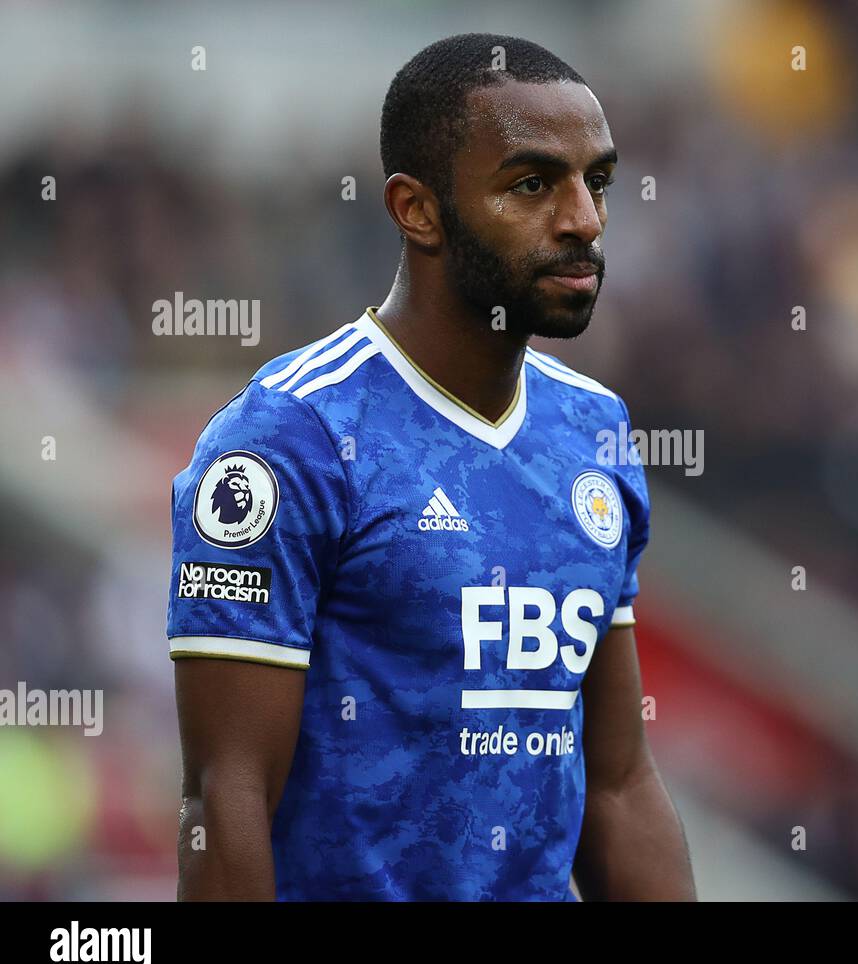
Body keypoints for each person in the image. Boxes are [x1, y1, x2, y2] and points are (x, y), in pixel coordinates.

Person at [168, 33, 696, 901]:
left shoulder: (592, 430)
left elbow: (618, 783)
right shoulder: (288, 439)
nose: (584, 220)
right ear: (417, 209)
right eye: (532, 184)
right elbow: (227, 798)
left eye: (595, 181)